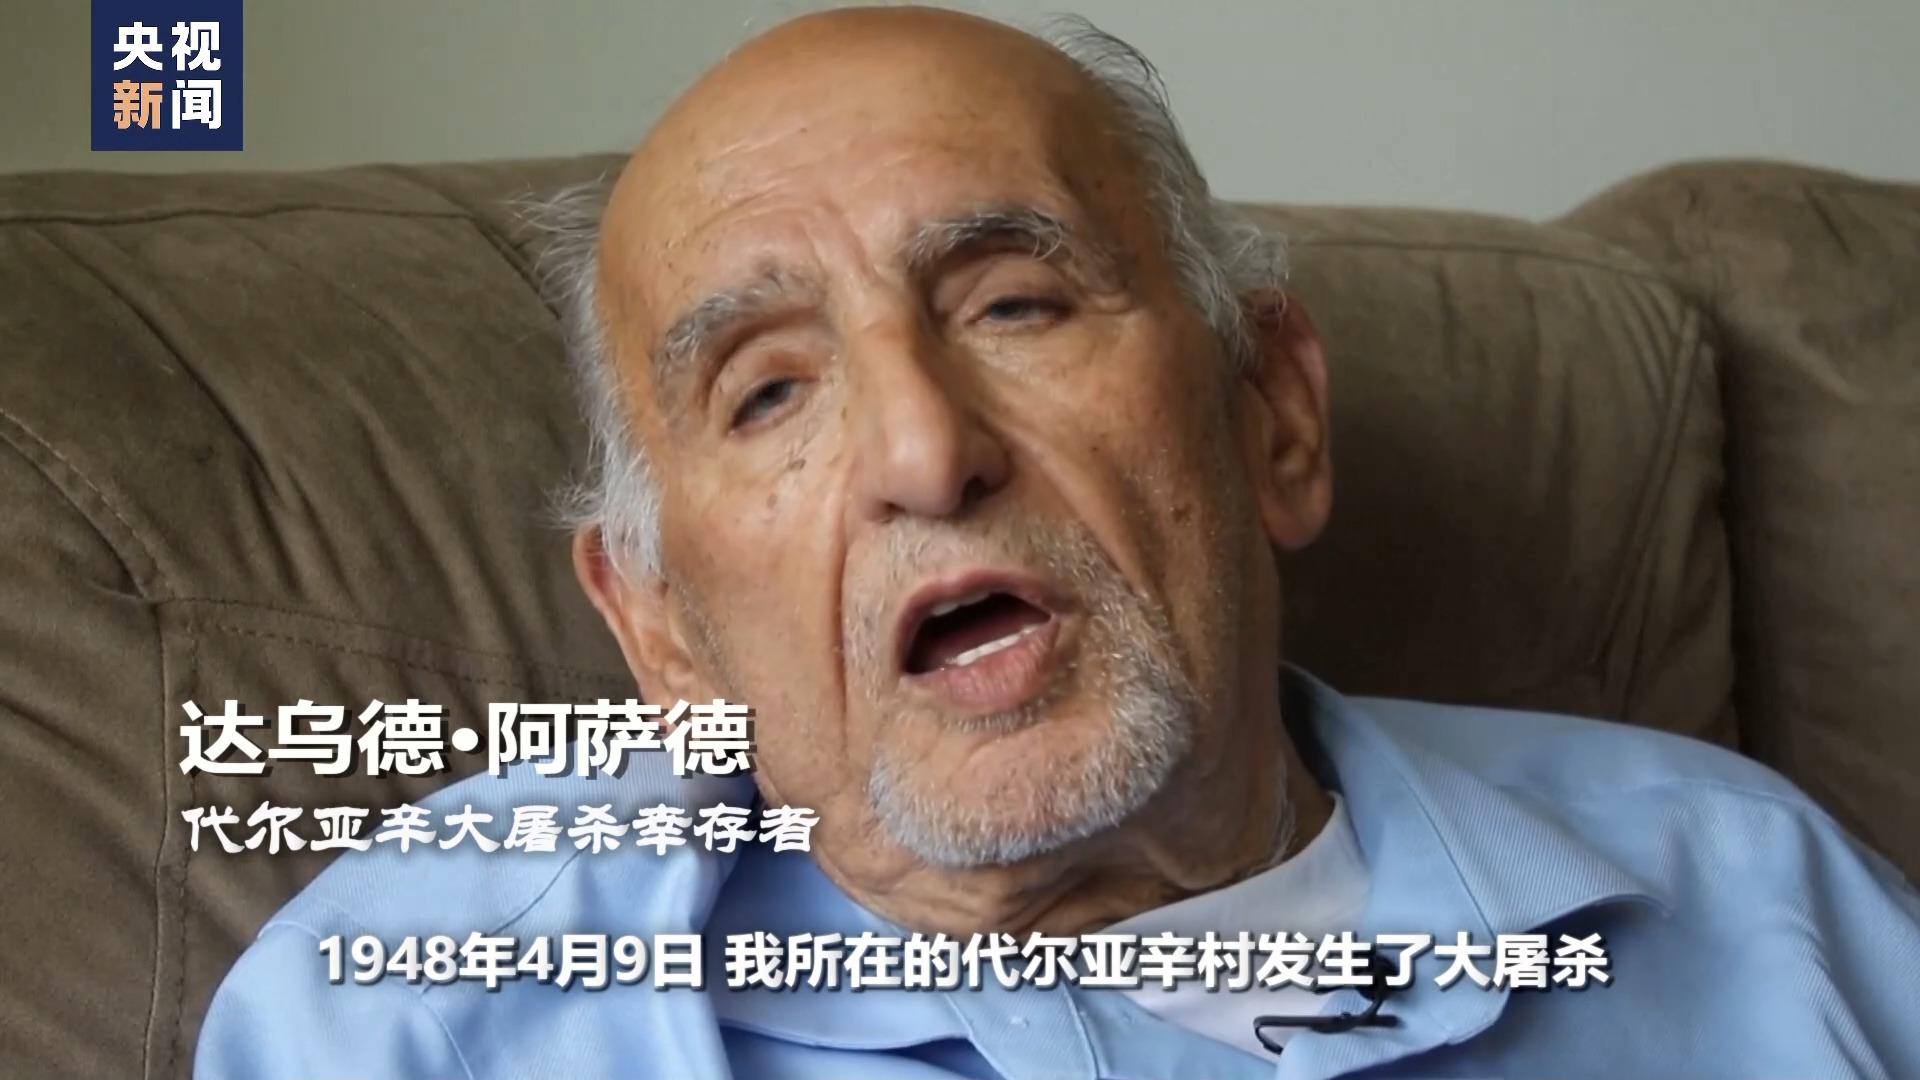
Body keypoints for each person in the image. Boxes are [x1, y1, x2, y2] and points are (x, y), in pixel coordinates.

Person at [197, 8, 1920, 1078]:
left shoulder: (1761, 903)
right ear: (662, 634)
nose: (924, 451)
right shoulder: (424, 1015)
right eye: (769, 391)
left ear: (1274, 415)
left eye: (1014, 303)